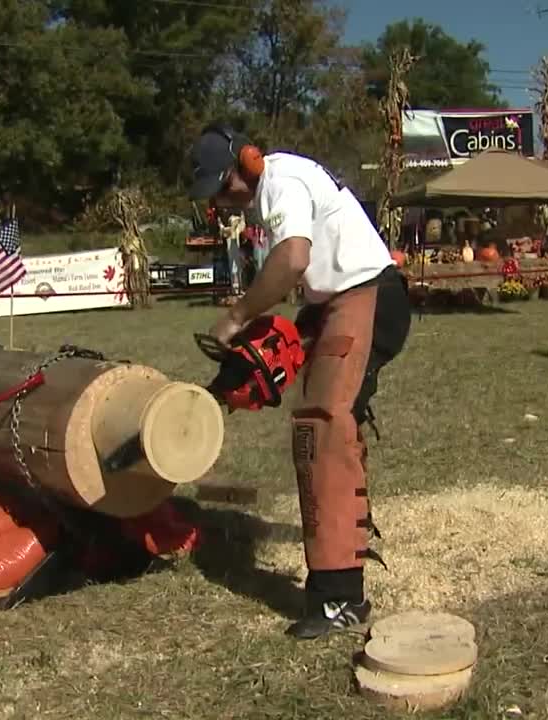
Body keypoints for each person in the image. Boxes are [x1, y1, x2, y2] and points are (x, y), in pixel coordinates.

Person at [187, 124, 412, 639]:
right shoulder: (278, 184)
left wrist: (238, 315)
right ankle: (350, 532)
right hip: (332, 302)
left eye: (224, 189)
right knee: (268, 376)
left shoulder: (281, 179)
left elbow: (292, 260)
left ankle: (339, 599)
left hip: (365, 296)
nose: (223, 203)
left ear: (246, 164)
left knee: (322, 426)